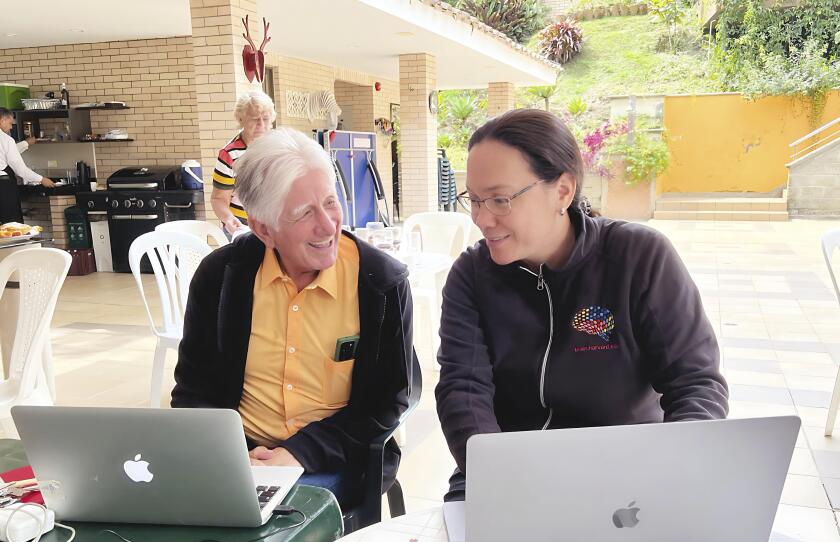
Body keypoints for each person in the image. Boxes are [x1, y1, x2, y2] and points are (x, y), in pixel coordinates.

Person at [435, 109, 729, 501]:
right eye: (473, 200)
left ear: (562, 191)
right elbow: (463, 390)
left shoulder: (637, 258)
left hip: (626, 474)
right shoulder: (472, 275)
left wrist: (670, 472)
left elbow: (696, 383)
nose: (482, 219)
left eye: (500, 200)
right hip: (507, 473)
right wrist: (499, 476)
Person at [173, 128, 419, 506]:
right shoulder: (221, 277)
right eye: (305, 213)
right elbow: (194, 390)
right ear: (263, 229)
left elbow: (386, 404)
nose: (328, 225)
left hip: (335, 457)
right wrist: (229, 456)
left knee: (281, 527)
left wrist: (299, 453)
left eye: (330, 203)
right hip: (239, 455)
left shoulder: (380, 284)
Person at [211, 91, 276, 236]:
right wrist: (228, 219)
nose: (261, 125)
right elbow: (219, 198)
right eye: (254, 119)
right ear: (241, 119)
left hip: (274, 224)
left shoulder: (278, 147)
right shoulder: (229, 154)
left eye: (265, 119)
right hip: (242, 226)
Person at [0, 107, 54, 223]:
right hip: (3, 186)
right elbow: (20, 169)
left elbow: (6, 154)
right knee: (11, 224)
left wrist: (26, 143)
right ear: (2, 120)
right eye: (10, 123)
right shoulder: (6, 139)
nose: (11, 127)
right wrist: (41, 179)